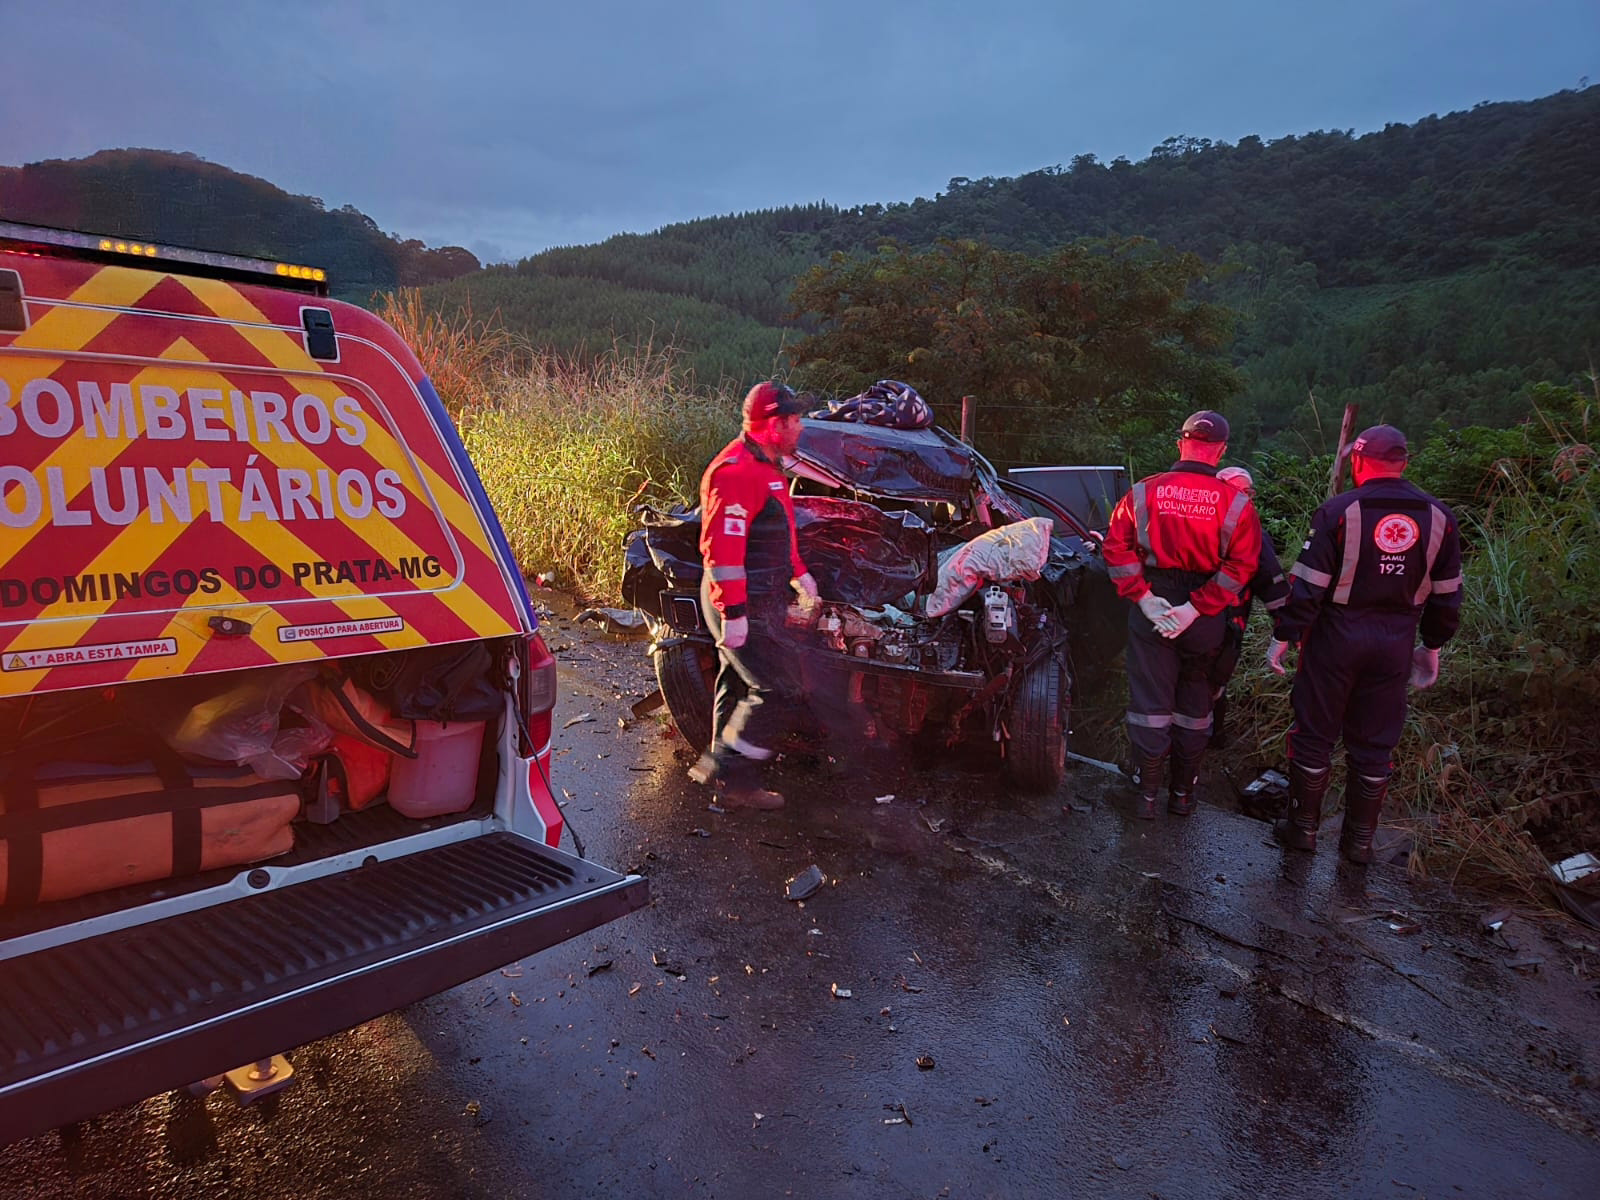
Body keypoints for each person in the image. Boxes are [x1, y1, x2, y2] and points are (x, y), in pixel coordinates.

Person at [1267, 424, 1462, 863]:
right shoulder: (1440, 517)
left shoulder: (1339, 510)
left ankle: (1302, 831)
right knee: (1375, 742)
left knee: (1314, 733)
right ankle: (1358, 844)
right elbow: (1448, 596)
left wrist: (1285, 634)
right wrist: (1431, 646)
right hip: (1396, 641)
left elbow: (1309, 587)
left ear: (1357, 461)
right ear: (1404, 462)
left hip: (1335, 638)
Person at [1103, 410, 1264, 819]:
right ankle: (1183, 795)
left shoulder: (1143, 492)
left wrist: (1143, 597)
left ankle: (1145, 796)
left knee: (1150, 701)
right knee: (1195, 703)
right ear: (1221, 451)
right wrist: (1196, 608)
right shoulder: (1238, 504)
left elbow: (1116, 548)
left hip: (1155, 602)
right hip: (1206, 614)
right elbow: (1242, 568)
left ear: (1181, 444)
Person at [687, 381, 819, 809]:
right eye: (794, 419)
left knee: (736, 682)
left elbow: (780, 532)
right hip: (741, 599)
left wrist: (800, 575)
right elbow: (722, 551)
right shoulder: (736, 471)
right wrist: (734, 612)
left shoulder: (769, 467)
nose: (801, 427)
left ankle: (731, 788)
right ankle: (723, 770)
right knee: (780, 688)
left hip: (760, 597)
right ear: (773, 424)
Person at [1208, 466, 1289, 748]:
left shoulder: (1254, 533)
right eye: (1237, 491)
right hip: (1185, 619)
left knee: (1215, 684)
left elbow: (1271, 582)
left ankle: (1212, 740)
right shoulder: (1192, 524)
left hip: (1229, 624)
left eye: (1248, 493)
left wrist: (1285, 628)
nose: (1244, 498)